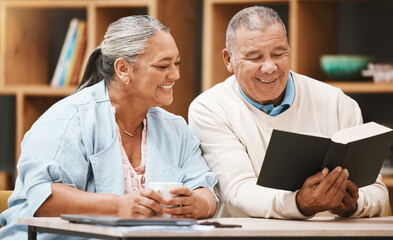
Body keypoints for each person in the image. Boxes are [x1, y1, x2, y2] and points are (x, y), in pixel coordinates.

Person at [0, 15, 218, 239]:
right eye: (163, 65)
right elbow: (44, 197)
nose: (175, 74)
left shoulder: (175, 129)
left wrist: (198, 204)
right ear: (123, 69)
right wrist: (118, 206)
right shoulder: (67, 119)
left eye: (176, 64)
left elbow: (206, 190)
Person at [188, 6, 388, 219]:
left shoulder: (336, 102)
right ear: (229, 60)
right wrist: (300, 204)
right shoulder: (210, 108)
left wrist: (353, 205)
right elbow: (237, 194)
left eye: (278, 53)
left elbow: (378, 192)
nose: (269, 67)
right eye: (255, 57)